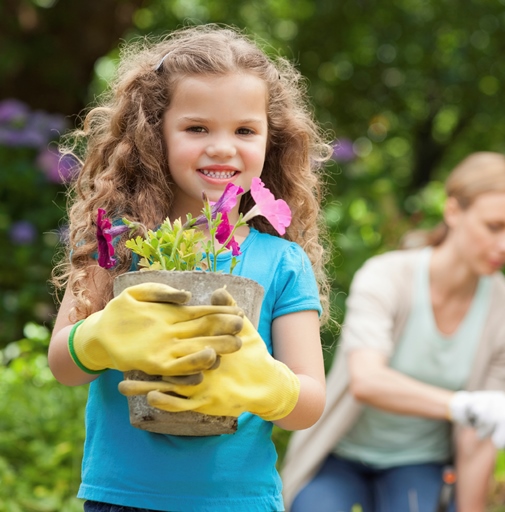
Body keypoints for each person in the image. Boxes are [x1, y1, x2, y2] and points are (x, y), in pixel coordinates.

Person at [48, 24, 331, 512]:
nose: (222, 147)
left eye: (245, 130)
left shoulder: (282, 260)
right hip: (122, 498)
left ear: (271, 139)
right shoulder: (116, 240)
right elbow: (63, 365)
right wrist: (96, 336)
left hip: (238, 501)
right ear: (153, 133)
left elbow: (309, 403)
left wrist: (269, 383)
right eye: (197, 128)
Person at [281, 151, 505, 512]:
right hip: (339, 454)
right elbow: (367, 380)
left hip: (418, 463)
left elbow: (477, 439)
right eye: (494, 227)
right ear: (453, 212)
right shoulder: (387, 277)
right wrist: (462, 405)